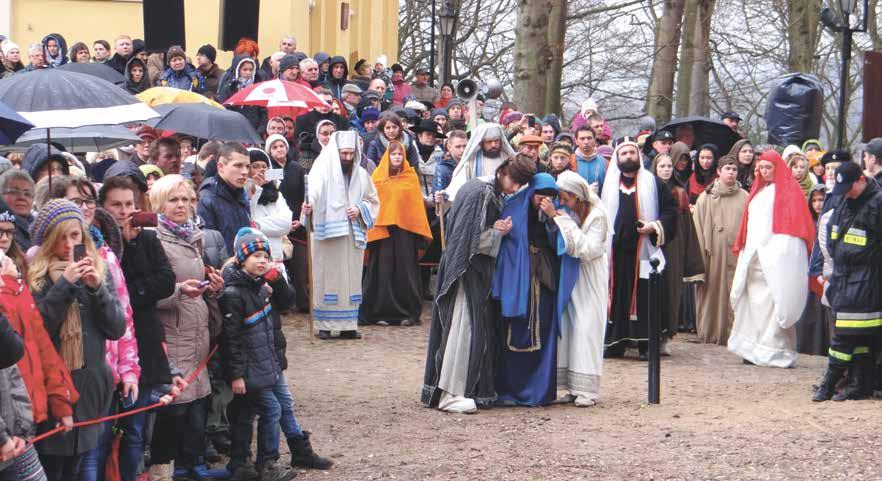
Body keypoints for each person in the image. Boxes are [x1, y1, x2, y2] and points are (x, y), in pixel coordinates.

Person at [421, 156, 533, 413]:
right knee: (462, 330)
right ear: (503, 171)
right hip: (465, 272)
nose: (514, 188)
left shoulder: (483, 188)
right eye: (514, 181)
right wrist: (498, 233)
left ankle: (456, 390)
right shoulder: (481, 192)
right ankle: (451, 393)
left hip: (470, 270)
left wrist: (494, 228)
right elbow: (468, 241)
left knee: (464, 330)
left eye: (520, 185)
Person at [28, 199, 126, 481]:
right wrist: (64, 286)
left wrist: (98, 291)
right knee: (52, 468)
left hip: (90, 390)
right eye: (63, 237)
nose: (71, 244)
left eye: (76, 236)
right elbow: (38, 331)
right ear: (49, 241)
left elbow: (116, 329)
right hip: (53, 391)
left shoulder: (96, 272)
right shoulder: (36, 276)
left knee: (81, 466)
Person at [147, 175, 222, 479]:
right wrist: (178, 291)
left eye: (188, 199)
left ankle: (193, 465)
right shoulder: (154, 240)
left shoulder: (194, 235)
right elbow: (148, 293)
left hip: (197, 331)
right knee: (174, 408)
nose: (182, 205)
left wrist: (213, 286)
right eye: (174, 199)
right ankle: (167, 469)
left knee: (196, 406)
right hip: (173, 334)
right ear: (159, 203)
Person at [0, 201, 78, 481]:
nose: (4, 238)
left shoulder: (15, 277)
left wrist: (60, 401)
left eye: (9, 231)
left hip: (23, 419)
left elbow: (40, 345)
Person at [219, 229, 296, 481]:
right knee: (271, 409)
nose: (262, 261)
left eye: (265, 256)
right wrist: (237, 375)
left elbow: (285, 304)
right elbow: (231, 339)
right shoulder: (233, 294)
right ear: (241, 260)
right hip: (249, 369)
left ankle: (244, 464)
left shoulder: (262, 288)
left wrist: (276, 282)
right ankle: (266, 462)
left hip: (264, 364)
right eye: (256, 256)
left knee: (246, 414)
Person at [728, 150, 814, 368]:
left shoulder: (789, 191)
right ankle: (750, 347)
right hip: (754, 256)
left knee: (773, 305)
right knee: (752, 304)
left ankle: (775, 351)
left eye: (769, 168)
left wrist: (776, 254)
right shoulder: (759, 191)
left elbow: (793, 229)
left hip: (776, 258)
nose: (765, 172)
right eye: (762, 168)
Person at [600, 137, 678, 359]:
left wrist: (653, 226)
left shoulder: (654, 183)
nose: (628, 157)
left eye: (632, 153)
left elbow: (670, 213)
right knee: (617, 295)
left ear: (638, 156)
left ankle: (646, 344)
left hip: (644, 250)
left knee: (645, 295)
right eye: (623, 154)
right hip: (616, 253)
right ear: (617, 158)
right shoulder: (610, 186)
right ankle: (616, 341)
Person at [813, 162, 882, 401]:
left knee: (844, 333)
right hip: (843, 275)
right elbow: (832, 232)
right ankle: (858, 386)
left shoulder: (877, 203)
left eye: (849, 187)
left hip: (866, 278)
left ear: (861, 179)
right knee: (861, 337)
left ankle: (829, 383)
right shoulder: (844, 200)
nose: (846, 193)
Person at [301, 131, 379, 340]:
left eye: (351, 154)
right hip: (328, 235)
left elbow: (373, 200)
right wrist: (310, 205)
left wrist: (360, 209)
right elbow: (315, 191)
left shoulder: (361, 174)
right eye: (344, 153)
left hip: (352, 235)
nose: (347, 158)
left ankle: (348, 325)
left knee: (350, 279)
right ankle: (324, 325)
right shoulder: (322, 169)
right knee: (327, 278)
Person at [493, 170, 561, 406]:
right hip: (517, 281)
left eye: (549, 196)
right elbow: (507, 246)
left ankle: (538, 390)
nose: (544, 200)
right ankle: (509, 390)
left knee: (543, 332)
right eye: (540, 195)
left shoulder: (556, 212)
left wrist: (552, 218)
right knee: (513, 333)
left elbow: (560, 245)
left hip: (544, 282)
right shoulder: (513, 208)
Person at [552, 170, 610, 406]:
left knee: (587, 328)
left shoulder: (598, 216)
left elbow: (588, 250)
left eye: (566, 198)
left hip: (591, 277)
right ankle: (574, 387)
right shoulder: (574, 212)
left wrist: (561, 220)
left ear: (578, 196)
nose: (563, 203)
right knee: (571, 328)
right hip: (573, 278)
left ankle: (588, 391)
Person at [359, 142, 432, 327]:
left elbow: (416, 207)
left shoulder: (410, 178)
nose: (397, 157)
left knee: (405, 273)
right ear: (387, 156)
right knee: (381, 273)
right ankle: (379, 312)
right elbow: (371, 203)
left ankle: (407, 313)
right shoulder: (377, 178)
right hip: (383, 234)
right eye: (394, 154)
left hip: (405, 234)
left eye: (401, 154)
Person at [691, 155, 748, 345]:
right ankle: (711, 333)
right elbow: (697, 229)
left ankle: (735, 335)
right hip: (713, 255)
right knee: (712, 294)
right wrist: (699, 261)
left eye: (734, 169)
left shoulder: (745, 197)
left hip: (737, 255)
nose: (731, 172)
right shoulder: (706, 197)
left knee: (735, 293)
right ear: (719, 171)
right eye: (727, 169)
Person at [652, 153, 704, 352]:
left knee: (670, 290)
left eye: (669, 166)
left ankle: (665, 336)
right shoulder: (647, 190)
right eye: (661, 166)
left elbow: (686, 227)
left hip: (673, 245)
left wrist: (689, 256)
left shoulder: (680, 193)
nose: (666, 169)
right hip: (651, 244)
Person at [198, 143, 253, 253]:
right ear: (221, 166)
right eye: (238, 165)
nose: (245, 172)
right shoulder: (207, 198)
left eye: (247, 166)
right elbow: (208, 247)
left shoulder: (242, 194)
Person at [442, 123, 517, 203]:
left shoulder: (509, 159)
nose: (493, 145)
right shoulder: (472, 162)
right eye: (489, 141)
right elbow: (457, 189)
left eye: (496, 141)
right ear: (481, 142)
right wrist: (445, 196)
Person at [246, 149, 294, 264]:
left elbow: (286, 223)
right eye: (256, 166)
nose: (262, 169)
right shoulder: (243, 194)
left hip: (276, 258)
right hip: (254, 260)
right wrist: (255, 188)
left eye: (264, 166)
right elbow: (248, 219)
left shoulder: (276, 194)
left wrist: (256, 225)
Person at [217, 55, 263, 130]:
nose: (248, 72)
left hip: (253, 130)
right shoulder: (230, 87)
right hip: (233, 128)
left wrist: (259, 131)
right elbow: (224, 108)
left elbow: (263, 112)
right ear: (238, 70)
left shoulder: (257, 88)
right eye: (244, 69)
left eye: (250, 70)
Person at [0, 170, 36, 250]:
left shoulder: (40, 226)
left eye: (27, 194)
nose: (22, 198)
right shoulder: (4, 227)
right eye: (14, 192)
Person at [570, 126, 606, 191]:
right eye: (582, 139)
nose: (586, 142)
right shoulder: (570, 161)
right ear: (576, 141)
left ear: (594, 140)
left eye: (589, 138)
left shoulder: (604, 162)